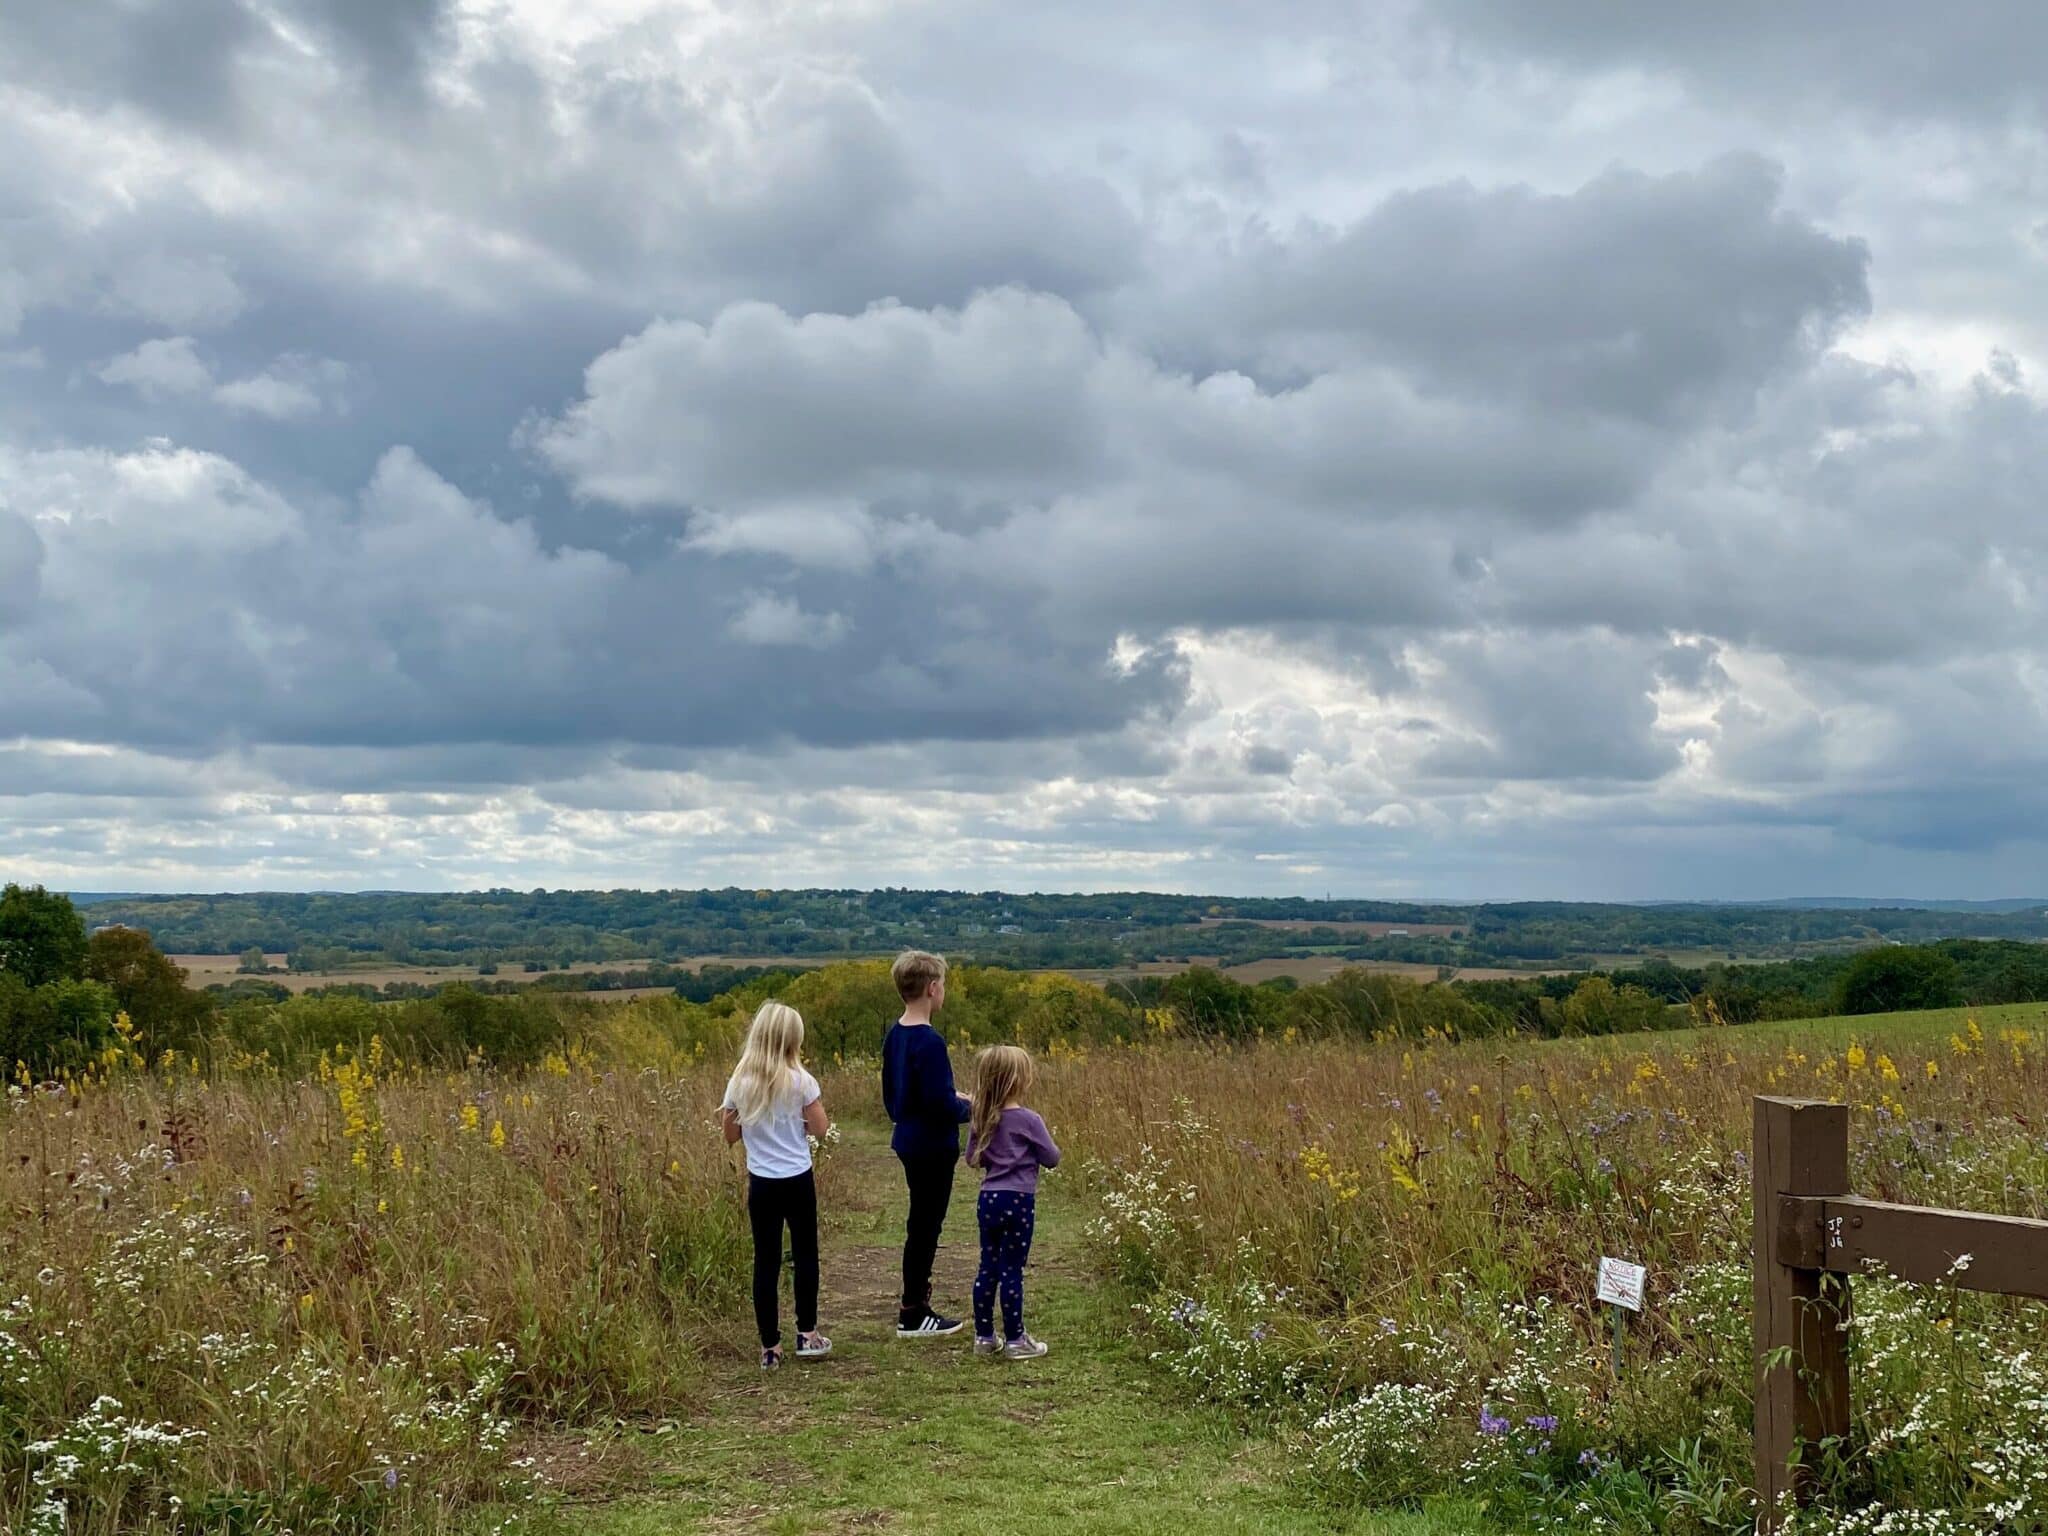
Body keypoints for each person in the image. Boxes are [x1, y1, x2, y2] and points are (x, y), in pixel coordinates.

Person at [721, 1000, 832, 1370]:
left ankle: (770, 1346)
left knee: (765, 1262)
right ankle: (808, 1334)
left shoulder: (740, 1082)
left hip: (762, 1182)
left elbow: (730, 1135)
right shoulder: (802, 1081)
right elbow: (820, 1128)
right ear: (792, 1041)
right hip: (798, 1179)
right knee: (805, 1256)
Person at [880, 949, 970, 1337]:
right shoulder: (930, 1042)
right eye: (943, 985)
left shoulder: (895, 1036)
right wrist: (971, 1107)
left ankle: (914, 1303)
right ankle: (914, 1310)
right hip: (932, 1145)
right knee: (926, 1226)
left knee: (920, 1222)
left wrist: (950, 1099)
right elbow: (939, 1104)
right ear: (933, 988)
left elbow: (894, 1096)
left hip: (908, 1138)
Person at [965, 1045, 1059, 1359]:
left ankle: (984, 1336)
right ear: (1019, 1080)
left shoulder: (981, 1117)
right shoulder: (1030, 1120)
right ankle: (1016, 1338)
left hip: (988, 1198)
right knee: (1012, 1270)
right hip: (1019, 1201)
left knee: (987, 1267)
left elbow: (971, 1160)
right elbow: (1052, 1157)